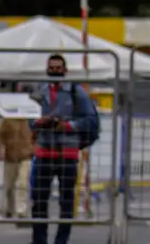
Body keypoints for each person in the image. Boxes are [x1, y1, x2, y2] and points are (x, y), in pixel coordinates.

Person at [30, 54, 99, 244]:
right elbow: (27, 116)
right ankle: (39, 240)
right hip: (44, 152)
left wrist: (67, 126)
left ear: (65, 70)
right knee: (39, 200)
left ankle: (61, 240)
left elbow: (90, 120)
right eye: (51, 67)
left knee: (66, 202)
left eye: (58, 68)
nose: (54, 71)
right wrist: (37, 122)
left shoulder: (77, 92)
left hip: (67, 153)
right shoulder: (39, 91)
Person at [0, 115, 34, 219]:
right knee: (9, 186)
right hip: (10, 156)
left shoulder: (30, 119)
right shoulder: (7, 120)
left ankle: (21, 209)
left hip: (26, 156)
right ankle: (9, 208)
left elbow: (36, 135)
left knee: (23, 183)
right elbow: (0, 136)